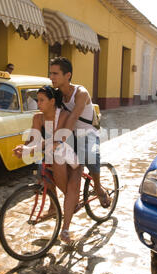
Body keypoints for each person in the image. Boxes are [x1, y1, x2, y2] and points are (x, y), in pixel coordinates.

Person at [49, 57, 111, 244]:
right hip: (70, 135)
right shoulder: (57, 93)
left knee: (89, 158)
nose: (51, 77)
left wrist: (60, 138)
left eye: (55, 73)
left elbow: (74, 116)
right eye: (50, 73)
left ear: (67, 75)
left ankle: (98, 188)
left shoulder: (80, 92)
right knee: (51, 164)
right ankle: (65, 202)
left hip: (87, 134)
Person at [13, 86, 75, 231]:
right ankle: (53, 207)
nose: (38, 104)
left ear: (52, 101)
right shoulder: (38, 117)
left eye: (42, 100)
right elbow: (33, 138)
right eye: (37, 100)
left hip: (69, 149)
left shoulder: (63, 115)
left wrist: (31, 148)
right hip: (51, 150)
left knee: (55, 160)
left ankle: (71, 200)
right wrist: (23, 148)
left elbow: (57, 140)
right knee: (44, 170)